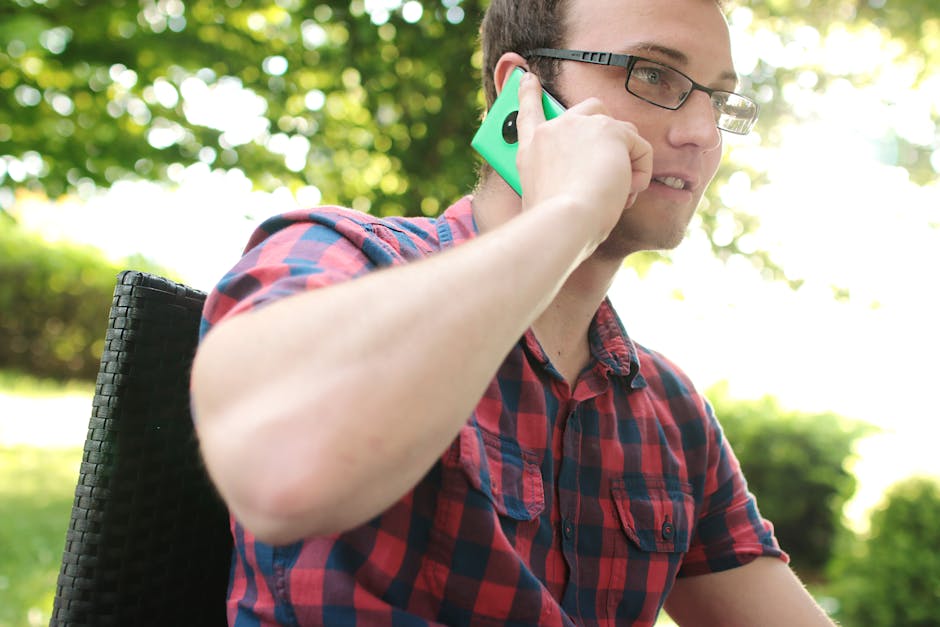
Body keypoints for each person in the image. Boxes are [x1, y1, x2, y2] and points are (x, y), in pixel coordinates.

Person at [190, 0, 837, 624]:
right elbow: (279, 472)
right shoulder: (341, 259)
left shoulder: (671, 413)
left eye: (716, 99)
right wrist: (568, 215)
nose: (700, 132)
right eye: (653, 74)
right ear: (522, 92)